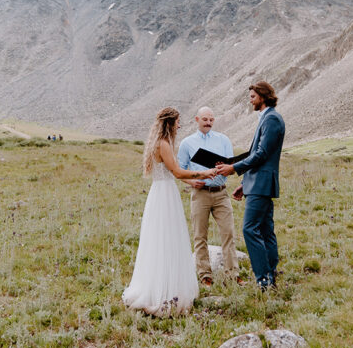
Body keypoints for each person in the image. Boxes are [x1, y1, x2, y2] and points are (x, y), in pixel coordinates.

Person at [122, 107, 216, 316]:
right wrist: (204, 172)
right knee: (167, 239)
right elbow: (176, 170)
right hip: (165, 196)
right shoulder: (164, 144)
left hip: (161, 192)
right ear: (170, 123)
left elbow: (173, 172)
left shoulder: (160, 143)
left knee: (161, 240)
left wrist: (191, 181)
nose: (180, 125)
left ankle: (164, 286)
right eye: (178, 121)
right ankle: (164, 292)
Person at [215, 81, 285, 290]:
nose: (250, 100)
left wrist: (233, 168)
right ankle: (270, 276)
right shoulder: (267, 118)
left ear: (263, 96)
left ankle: (263, 279)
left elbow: (262, 154)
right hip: (258, 184)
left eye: (253, 97)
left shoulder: (272, 118)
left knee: (249, 229)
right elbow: (259, 155)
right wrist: (245, 183)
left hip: (262, 185)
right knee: (265, 230)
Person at [177, 106, 239, 286]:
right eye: (205, 119)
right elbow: (180, 171)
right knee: (199, 235)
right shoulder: (187, 143)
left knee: (228, 233)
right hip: (200, 194)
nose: (209, 123)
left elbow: (231, 167)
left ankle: (233, 274)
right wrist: (191, 182)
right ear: (197, 120)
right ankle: (205, 275)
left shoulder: (224, 140)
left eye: (211, 119)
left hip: (221, 193)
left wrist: (225, 168)